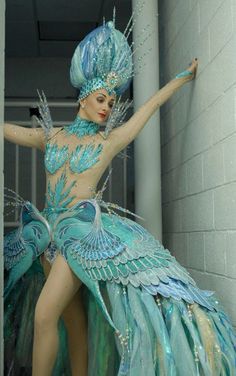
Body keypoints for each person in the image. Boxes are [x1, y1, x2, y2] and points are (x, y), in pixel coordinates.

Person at [3, 20, 236, 376]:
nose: (107, 108)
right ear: (83, 97)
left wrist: (182, 78)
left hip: (79, 239)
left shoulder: (107, 141)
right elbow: (14, 132)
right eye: (101, 99)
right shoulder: (53, 137)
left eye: (111, 102)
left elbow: (148, 108)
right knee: (73, 322)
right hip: (47, 237)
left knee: (44, 314)